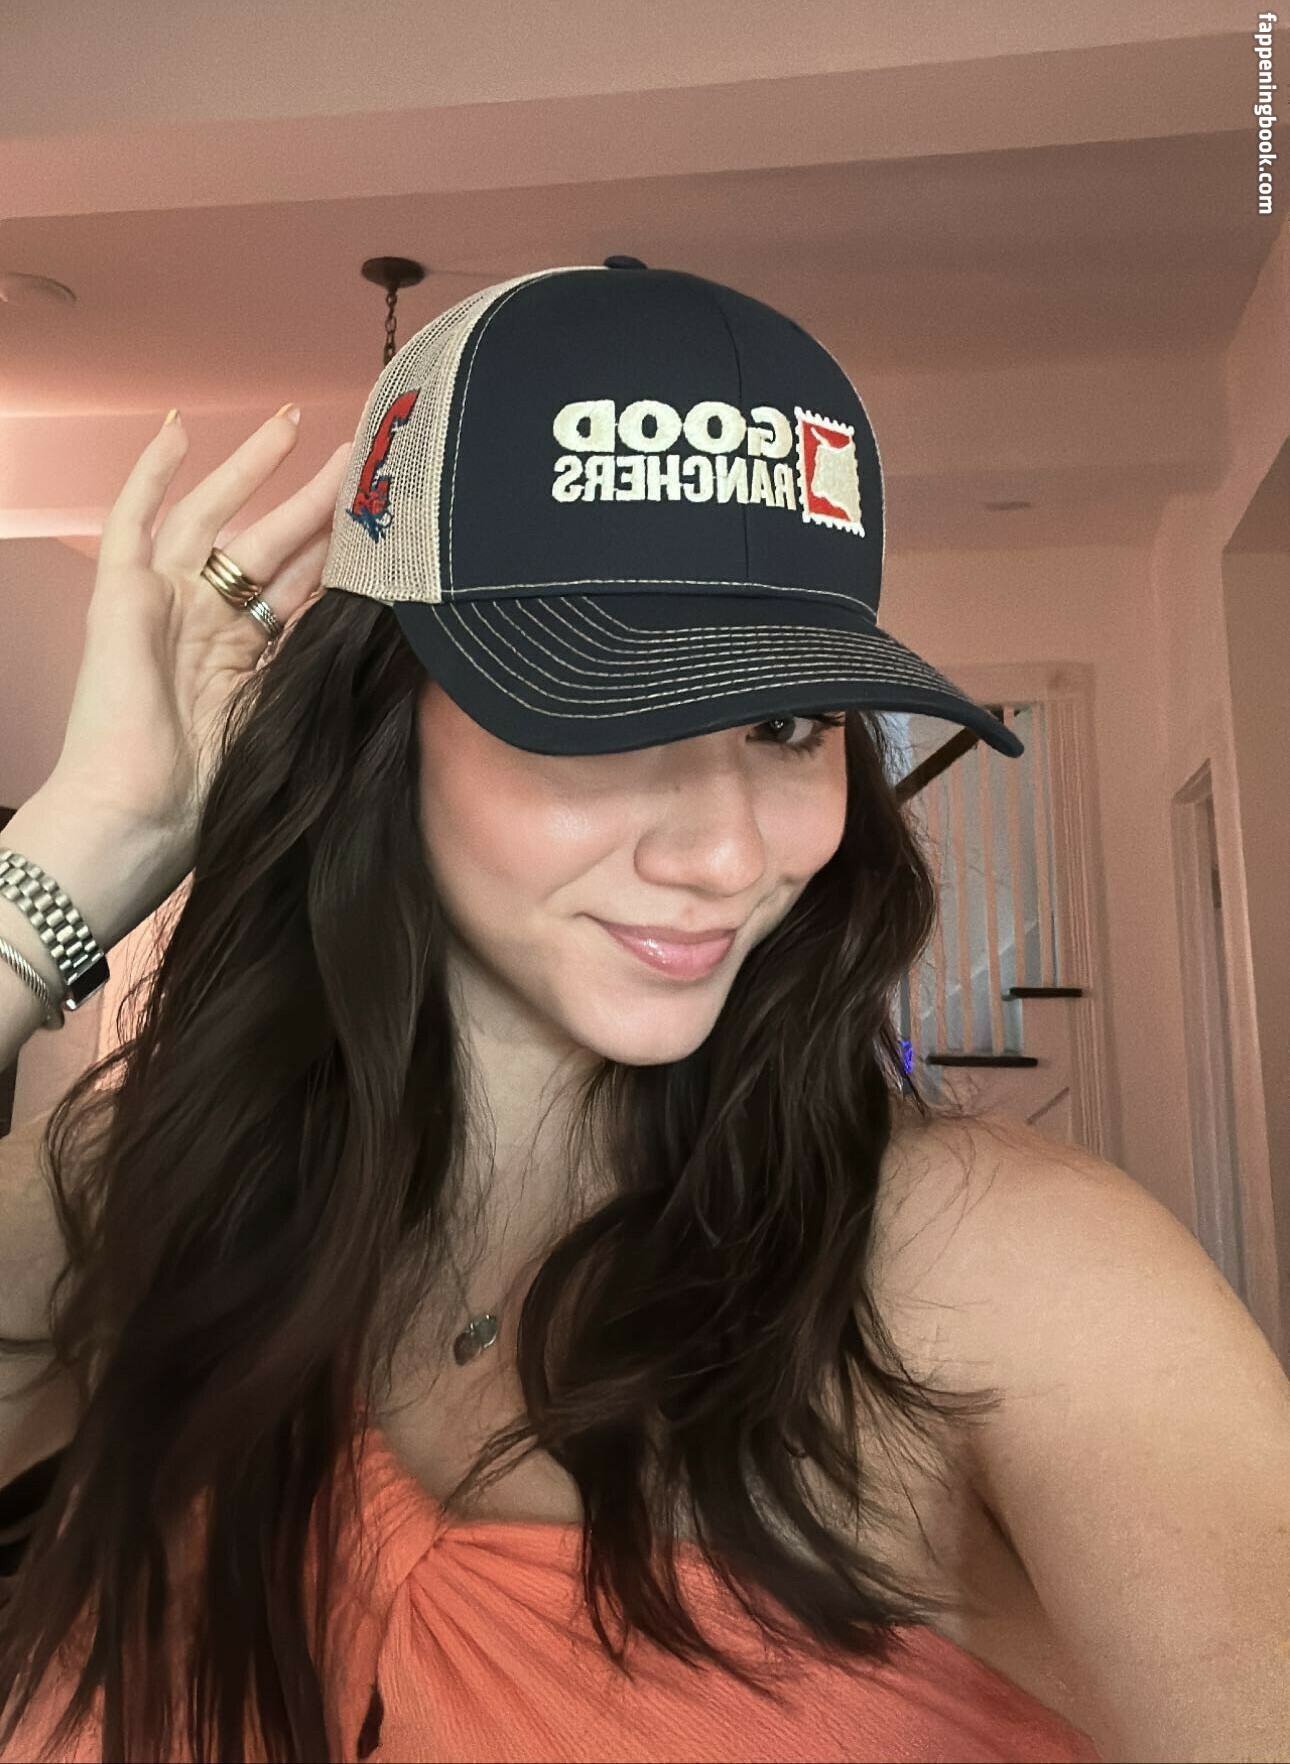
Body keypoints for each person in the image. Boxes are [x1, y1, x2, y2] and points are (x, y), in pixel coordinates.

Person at [0, 262, 1285, 1764]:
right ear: (371, 725)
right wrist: (76, 858)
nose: (730, 855)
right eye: (606, 715)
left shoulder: (1005, 1276)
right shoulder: (174, 1201)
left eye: (787, 725)